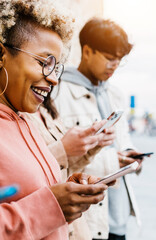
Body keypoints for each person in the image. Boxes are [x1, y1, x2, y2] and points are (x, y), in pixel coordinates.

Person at [0, 2, 108, 239]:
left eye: (56, 68)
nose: (54, 80)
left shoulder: (25, 120)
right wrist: (51, 205)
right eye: (43, 63)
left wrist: (68, 189)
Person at [55, 18, 143, 240]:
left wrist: (131, 155)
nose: (114, 65)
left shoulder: (115, 94)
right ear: (87, 51)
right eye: (110, 58)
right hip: (87, 217)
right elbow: (60, 158)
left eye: (119, 60)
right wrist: (115, 161)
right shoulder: (58, 93)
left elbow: (122, 140)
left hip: (118, 213)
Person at [24, 88, 115, 240]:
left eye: (57, 68)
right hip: (45, 225)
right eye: (42, 63)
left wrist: (93, 143)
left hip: (74, 228)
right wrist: (63, 148)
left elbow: (67, 168)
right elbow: (24, 174)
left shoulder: (47, 107)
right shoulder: (18, 113)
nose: (52, 77)